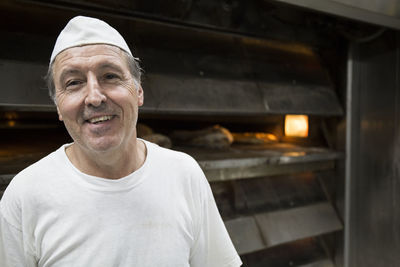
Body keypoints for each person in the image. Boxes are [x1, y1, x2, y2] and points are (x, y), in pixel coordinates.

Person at [0, 16, 242, 267]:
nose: (94, 97)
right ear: (58, 107)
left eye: (110, 76)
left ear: (138, 91)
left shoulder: (183, 173)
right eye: (73, 83)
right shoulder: (25, 194)